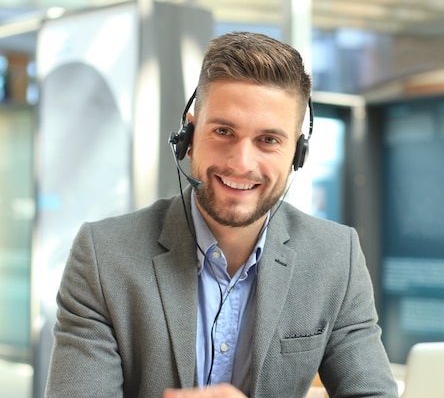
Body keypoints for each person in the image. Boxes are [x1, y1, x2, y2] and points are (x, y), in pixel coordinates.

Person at [45, 31, 399, 398]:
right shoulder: (103, 257)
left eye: (269, 140)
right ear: (189, 135)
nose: (241, 163)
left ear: (298, 153)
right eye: (224, 131)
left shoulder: (335, 258)